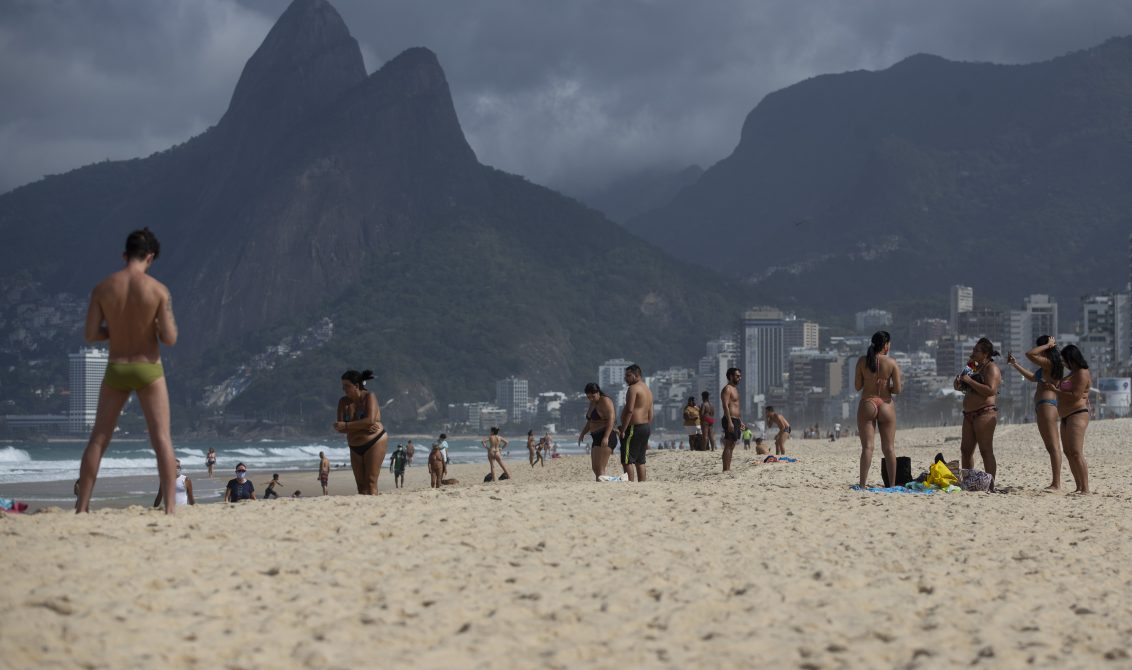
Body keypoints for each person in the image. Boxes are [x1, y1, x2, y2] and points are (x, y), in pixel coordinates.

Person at [75, 228, 180, 515]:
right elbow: (169, 338)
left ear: (124, 255)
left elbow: (91, 334)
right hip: (148, 368)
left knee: (99, 437)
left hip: (117, 367)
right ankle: (170, 507)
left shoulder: (103, 288)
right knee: (161, 438)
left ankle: (82, 507)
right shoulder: (158, 290)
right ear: (150, 256)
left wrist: (118, 330)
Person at [1007, 335, 1064, 490]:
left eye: (1041, 348)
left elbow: (1030, 354)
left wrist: (1047, 345)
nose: (1040, 352)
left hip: (1047, 406)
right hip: (1043, 406)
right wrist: (1015, 364)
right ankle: (1055, 482)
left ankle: (1056, 483)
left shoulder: (1050, 363)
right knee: (1051, 446)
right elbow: (1033, 378)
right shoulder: (1048, 366)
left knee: (1053, 447)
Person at [856, 331, 902, 488]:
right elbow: (897, 389)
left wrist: (869, 380)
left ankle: (862, 485)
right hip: (886, 404)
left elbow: (857, 386)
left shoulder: (862, 361)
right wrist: (887, 386)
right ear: (886, 345)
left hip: (868, 403)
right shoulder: (891, 363)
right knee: (889, 448)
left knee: (867, 447)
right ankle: (892, 485)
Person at [955, 337, 1002, 491]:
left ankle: (991, 485)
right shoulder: (975, 368)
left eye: (976, 350)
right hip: (969, 414)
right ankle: (970, 482)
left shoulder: (991, 368)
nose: (973, 353)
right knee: (966, 450)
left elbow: (990, 390)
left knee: (985, 449)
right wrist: (959, 385)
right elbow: (970, 389)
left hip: (984, 413)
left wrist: (969, 381)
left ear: (986, 353)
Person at [334, 369, 389, 495]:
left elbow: (369, 419)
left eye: (347, 386)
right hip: (354, 446)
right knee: (360, 486)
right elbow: (340, 428)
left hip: (374, 442)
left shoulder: (369, 397)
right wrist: (363, 426)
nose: (344, 389)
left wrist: (348, 425)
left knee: (370, 482)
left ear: (356, 386)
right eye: (343, 386)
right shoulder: (343, 402)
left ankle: (374, 509)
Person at [1046, 344, 1091, 493]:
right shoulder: (1071, 373)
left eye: (1065, 360)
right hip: (1065, 416)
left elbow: (1076, 396)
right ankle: (1078, 486)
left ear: (1072, 359)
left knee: (1077, 451)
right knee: (1068, 452)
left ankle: (1085, 488)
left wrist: (1056, 391)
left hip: (1077, 414)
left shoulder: (1082, 373)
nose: (1063, 362)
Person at [618, 364, 653, 482]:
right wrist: (647, 426)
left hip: (634, 427)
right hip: (645, 426)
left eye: (628, 375)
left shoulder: (633, 388)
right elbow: (650, 412)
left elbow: (629, 410)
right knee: (640, 460)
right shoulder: (647, 389)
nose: (626, 378)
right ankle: (642, 484)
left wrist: (623, 429)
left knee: (626, 460)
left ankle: (630, 484)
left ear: (637, 375)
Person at [579, 383, 618, 481]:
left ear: (598, 392)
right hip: (596, 437)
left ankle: (602, 487)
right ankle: (610, 481)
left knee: (601, 468)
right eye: (588, 397)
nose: (591, 398)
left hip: (606, 435)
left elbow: (611, 419)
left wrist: (606, 437)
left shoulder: (605, 401)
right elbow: (590, 421)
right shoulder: (592, 402)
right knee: (595, 468)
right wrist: (583, 433)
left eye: (593, 396)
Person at [719, 368, 743, 472]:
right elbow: (725, 406)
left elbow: (736, 406)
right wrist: (729, 422)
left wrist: (740, 421)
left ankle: (728, 468)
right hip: (730, 419)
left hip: (736, 419)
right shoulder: (727, 389)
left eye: (740, 376)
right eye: (737, 376)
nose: (739, 378)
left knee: (732, 444)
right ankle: (726, 469)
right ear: (731, 376)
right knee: (729, 444)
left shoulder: (735, 389)